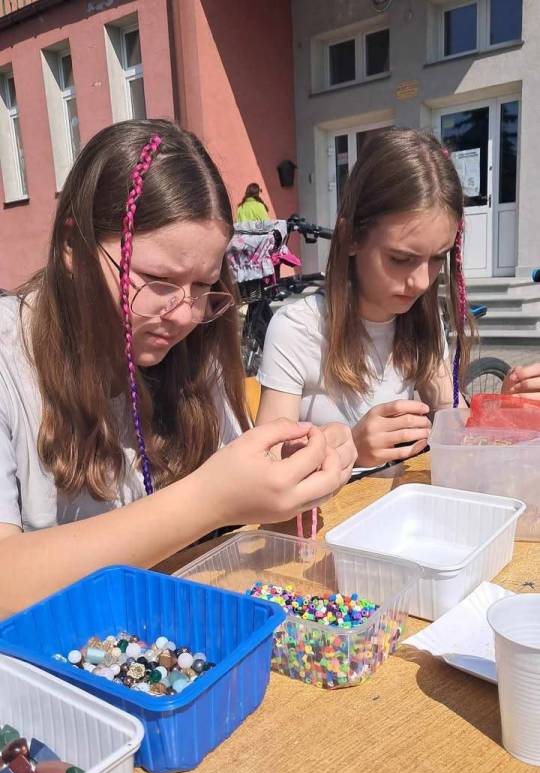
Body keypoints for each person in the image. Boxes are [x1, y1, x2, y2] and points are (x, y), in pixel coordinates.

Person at [0, 119, 355, 613]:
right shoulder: (9, 359)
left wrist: (290, 479)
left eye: (205, 285)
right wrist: (208, 500)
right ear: (72, 248)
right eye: (157, 279)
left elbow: (237, 525)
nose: (186, 314)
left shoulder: (191, 348)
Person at [256, 128, 540, 468]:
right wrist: (350, 448)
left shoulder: (422, 321)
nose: (421, 282)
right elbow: (265, 466)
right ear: (350, 237)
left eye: (437, 258)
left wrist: (505, 410)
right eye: (401, 259)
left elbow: (452, 419)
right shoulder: (298, 329)